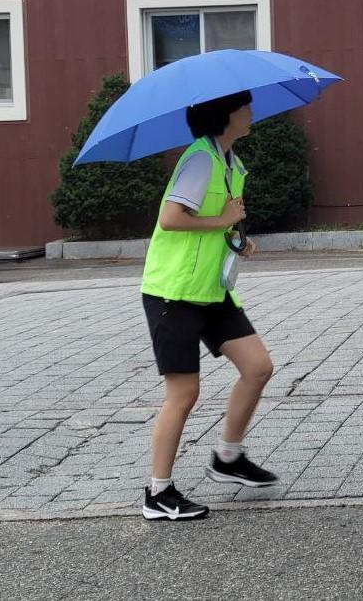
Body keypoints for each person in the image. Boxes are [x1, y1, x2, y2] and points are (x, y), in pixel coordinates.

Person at [139, 90, 278, 521]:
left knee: (257, 367)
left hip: (211, 291)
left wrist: (237, 239)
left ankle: (228, 458)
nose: (251, 113)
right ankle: (158, 493)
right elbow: (171, 218)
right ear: (225, 115)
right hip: (173, 293)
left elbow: (213, 225)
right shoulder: (200, 159)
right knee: (183, 393)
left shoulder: (228, 161)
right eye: (245, 107)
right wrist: (224, 220)